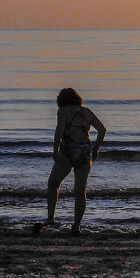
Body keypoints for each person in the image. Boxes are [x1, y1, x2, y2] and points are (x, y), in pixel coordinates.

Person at [33, 87, 107, 236]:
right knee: (80, 191)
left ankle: (50, 218)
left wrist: (54, 150)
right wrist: (96, 148)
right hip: (85, 151)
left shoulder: (63, 111)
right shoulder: (87, 111)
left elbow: (59, 130)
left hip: (68, 150)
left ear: (61, 100)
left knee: (53, 184)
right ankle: (76, 226)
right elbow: (102, 130)